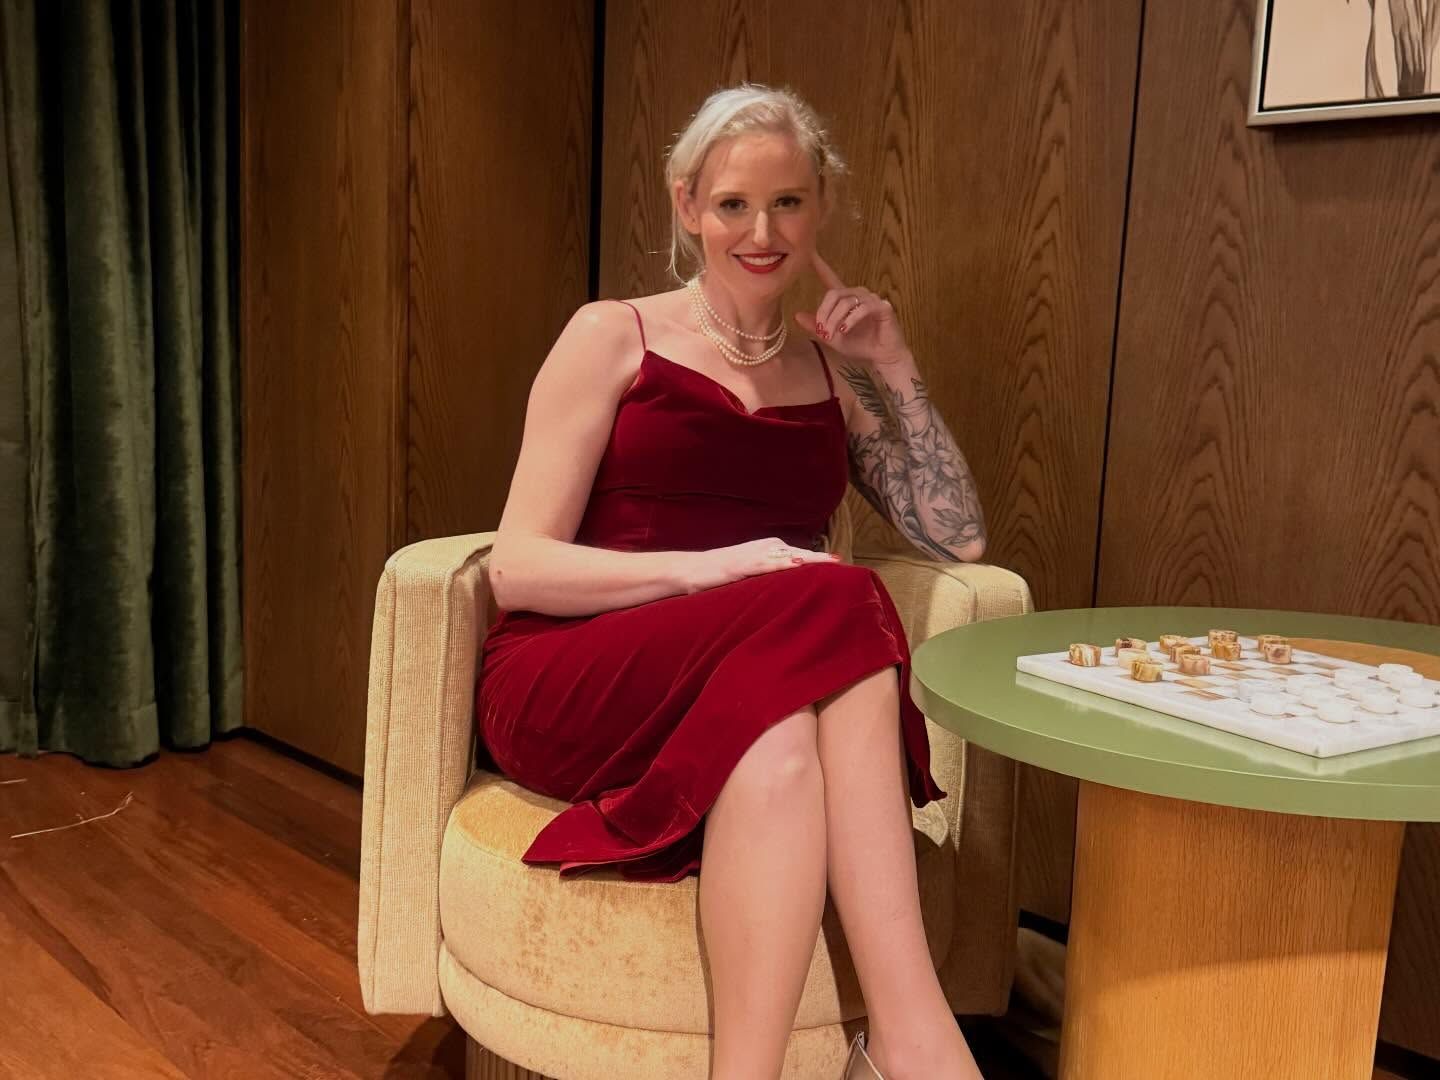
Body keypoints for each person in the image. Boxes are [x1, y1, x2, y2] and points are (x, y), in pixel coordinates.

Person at [476, 83, 987, 1080]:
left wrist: (896, 363)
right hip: (576, 674)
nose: (761, 231)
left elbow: (955, 536)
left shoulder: (839, 373)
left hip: (765, 679)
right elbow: (517, 566)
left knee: (782, 756)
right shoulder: (611, 336)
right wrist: (721, 568)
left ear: (821, 206)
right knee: (840, 595)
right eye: (733, 206)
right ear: (686, 207)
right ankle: (912, 1035)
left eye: (788, 203)